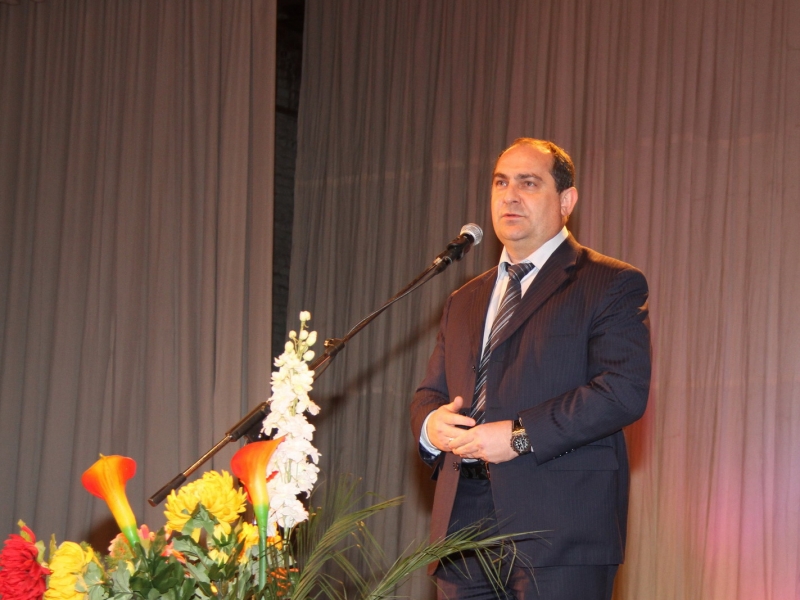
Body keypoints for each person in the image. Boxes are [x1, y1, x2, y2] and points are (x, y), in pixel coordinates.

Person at [410, 138, 651, 599]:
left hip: (558, 528)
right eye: (501, 183)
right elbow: (430, 394)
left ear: (566, 201)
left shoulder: (609, 282)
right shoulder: (464, 299)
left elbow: (621, 391)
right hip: (463, 528)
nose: (510, 196)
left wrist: (519, 436)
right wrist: (431, 425)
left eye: (528, 183)